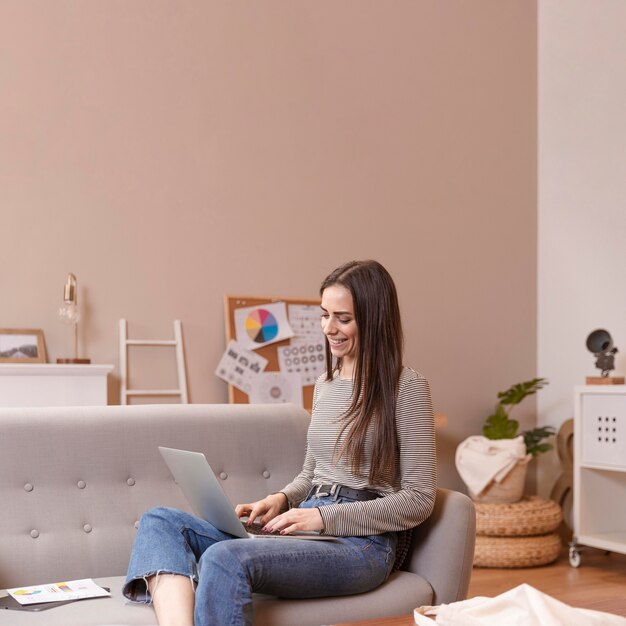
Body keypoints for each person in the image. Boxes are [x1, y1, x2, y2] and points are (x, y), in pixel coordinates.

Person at [123, 259, 437, 626]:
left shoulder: (407, 387)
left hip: (362, 545)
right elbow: (311, 472)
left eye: (343, 318)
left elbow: (419, 499)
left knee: (224, 557)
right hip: (307, 527)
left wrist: (322, 518)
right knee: (160, 521)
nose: (329, 328)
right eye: (324, 315)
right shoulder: (326, 384)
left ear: (375, 318)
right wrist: (281, 500)